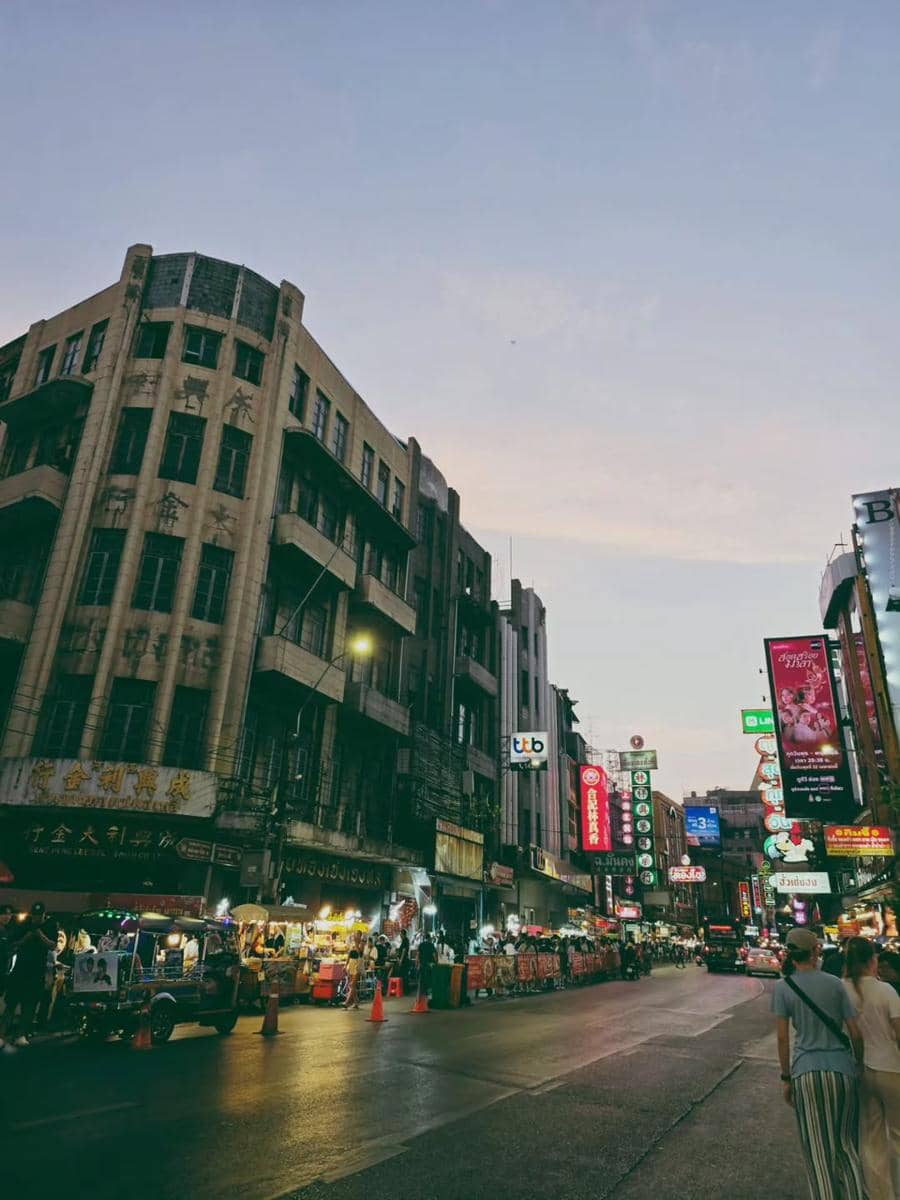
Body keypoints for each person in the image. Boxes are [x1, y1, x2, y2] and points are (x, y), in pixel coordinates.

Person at [772, 927, 866, 1200]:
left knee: (817, 1151)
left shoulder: (783, 987)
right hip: (842, 1071)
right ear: (815, 952)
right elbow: (855, 1033)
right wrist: (857, 1066)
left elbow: (782, 1037)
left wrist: (786, 1078)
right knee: (846, 1146)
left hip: (806, 1073)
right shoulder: (835, 984)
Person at [843, 937, 900, 1200]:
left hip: (862, 1070)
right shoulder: (885, 990)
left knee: (871, 1138)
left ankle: (880, 1195)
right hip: (892, 1069)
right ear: (872, 960)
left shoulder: (842, 989)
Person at [0, 902, 58, 1050]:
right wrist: (26, 938)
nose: (36, 918)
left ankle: (21, 1035)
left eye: (39, 915)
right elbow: (13, 945)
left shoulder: (51, 925)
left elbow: (52, 945)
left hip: (36, 971)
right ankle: (1, 1035)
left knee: (30, 1006)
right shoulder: (24, 925)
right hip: (20, 970)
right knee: (11, 1004)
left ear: (44, 915)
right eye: (34, 915)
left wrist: (39, 935)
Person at [417, 932, 435, 997]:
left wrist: (417, 963)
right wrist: (436, 962)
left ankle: (422, 993)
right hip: (429, 964)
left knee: (422, 978)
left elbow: (418, 955)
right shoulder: (431, 945)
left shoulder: (421, 945)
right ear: (429, 938)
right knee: (429, 978)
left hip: (422, 964)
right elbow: (434, 955)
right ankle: (428, 992)